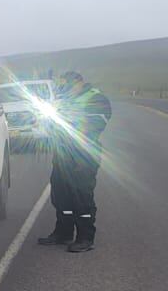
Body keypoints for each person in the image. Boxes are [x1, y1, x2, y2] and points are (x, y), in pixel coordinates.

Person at [38, 71, 112, 253]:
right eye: (63, 85)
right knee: (60, 194)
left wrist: (67, 124)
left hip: (84, 156)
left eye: (69, 85)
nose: (66, 89)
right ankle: (63, 232)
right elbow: (49, 124)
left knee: (81, 196)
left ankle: (85, 237)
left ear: (79, 83)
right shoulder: (62, 100)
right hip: (62, 155)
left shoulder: (95, 98)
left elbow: (96, 124)